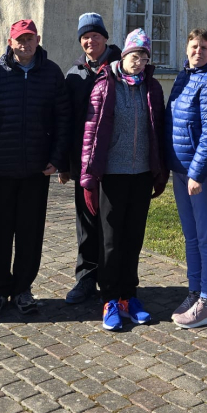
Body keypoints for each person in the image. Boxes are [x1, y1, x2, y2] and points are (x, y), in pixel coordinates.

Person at [0, 19, 71, 318]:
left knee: (30, 232)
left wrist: (58, 157)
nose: (24, 45)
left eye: (29, 39)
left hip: (37, 171)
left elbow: (63, 119)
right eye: (19, 40)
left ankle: (23, 288)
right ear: (9, 42)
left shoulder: (51, 74)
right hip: (1, 169)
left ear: (38, 40)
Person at [79, 28, 168, 331]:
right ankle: (110, 299)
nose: (139, 61)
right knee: (111, 242)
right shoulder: (105, 85)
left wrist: (159, 171)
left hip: (141, 174)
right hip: (113, 175)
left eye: (144, 57)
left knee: (133, 239)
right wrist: (88, 177)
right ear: (124, 55)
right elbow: (90, 134)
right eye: (134, 55)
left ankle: (130, 295)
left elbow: (158, 132)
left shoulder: (152, 88)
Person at [166, 28, 207, 329]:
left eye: (204, 46)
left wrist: (197, 172)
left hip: (199, 176)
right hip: (180, 171)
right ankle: (194, 292)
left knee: (206, 236)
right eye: (193, 46)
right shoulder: (183, 77)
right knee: (190, 237)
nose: (198, 51)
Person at [64, 13, 122, 304]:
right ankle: (86, 279)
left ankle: (111, 282)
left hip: (115, 163)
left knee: (111, 225)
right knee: (86, 224)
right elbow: (67, 120)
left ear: (105, 38)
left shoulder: (121, 69)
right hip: (83, 163)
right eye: (85, 37)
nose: (90, 41)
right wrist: (65, 164)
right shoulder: (74, 74)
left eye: (95, 35)